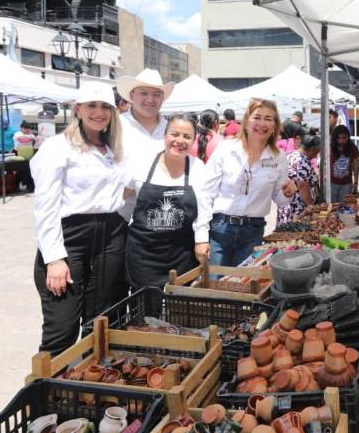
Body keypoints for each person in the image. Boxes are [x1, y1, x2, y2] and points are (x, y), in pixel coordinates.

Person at [30, 82, 129, 355]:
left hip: (110, 235)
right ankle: (45, 390)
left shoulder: (113, 148)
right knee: (61, 327)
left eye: (105, 107)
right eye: (92, 106)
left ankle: (88, 387)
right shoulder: (57, 147)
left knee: (101, 321)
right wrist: (54, 258)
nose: (99, 113)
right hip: (70, 238)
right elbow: (46, 204)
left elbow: (126, 188)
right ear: (78, 109)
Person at [202, 99, 297, 267]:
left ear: (275, 126)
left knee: (242, 285)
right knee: (214, 287)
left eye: (268, 119)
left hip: (252, 232)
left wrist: (288, 193)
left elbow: (281, 200)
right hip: (219, 229)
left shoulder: (279, 157)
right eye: (257, 117)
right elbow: (205, 193)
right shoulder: (226, 149)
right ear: (246, 122)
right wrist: (200, 237)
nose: (262, 123)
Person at [125, 115, 211, 290]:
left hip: (181, 253)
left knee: (178, 308)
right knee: (144, 307)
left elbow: (204, 208)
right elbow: (121, 195)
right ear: (165, 135)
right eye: (175, 134)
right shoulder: (141, 163)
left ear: (194, 140)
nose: (180, 141)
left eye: (187, 137)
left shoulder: (198, 167)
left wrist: (202, 240)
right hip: (144, 254)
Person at [277, 135, 321, 226]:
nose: (316, 155)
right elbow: (302, 186)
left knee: (284, 233)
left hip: (286, 203)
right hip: (297, 207)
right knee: (293, 233)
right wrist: (310, 206)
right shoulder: (303, 161)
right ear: (312, 149)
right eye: (317, 152)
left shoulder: (290, 154)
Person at [330, 125, 359, 203]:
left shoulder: (352, 148)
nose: (341, 140)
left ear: (348, 137)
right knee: (331, 207)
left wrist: (356, 182)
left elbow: (356, 166)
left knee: (344, 207)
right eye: (339, 138)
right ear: (335, 138)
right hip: (331, 183)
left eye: (344, 138)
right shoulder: (330, 147)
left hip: (346, 184)